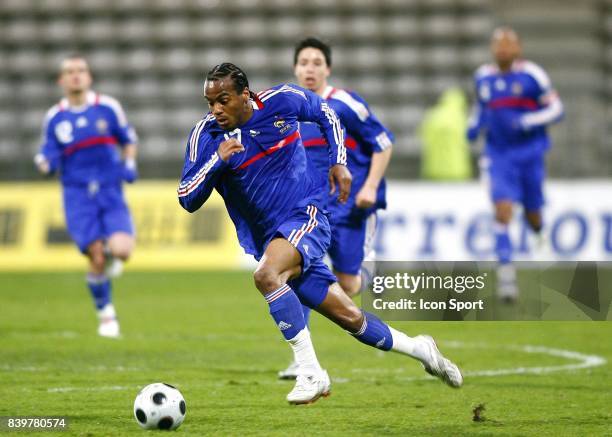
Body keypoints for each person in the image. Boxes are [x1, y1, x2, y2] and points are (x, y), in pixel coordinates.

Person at [178, 62, 462, 405]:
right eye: (210, 103)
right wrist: (217, 162)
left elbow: (326, 112)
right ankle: (421, 349)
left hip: (307, 215)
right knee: (351, 318)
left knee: (267, 276)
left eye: (223, 100)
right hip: (271, 239)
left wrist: (338, 161)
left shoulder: (281, 101)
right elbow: (187, 198)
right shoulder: (205, 136)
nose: (216, 110)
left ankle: (310, 372)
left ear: (245, 95)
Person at [277, 37, 394, 379]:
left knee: (349, 285)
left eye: (316, 63)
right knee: (297, 271)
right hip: (312, 210)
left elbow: (383, 143)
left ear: (327, 68)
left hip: (352, 206)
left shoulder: (344, 103)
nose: (309, 69)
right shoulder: (290, 109)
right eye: (303, 62)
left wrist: (370, 186)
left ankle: (364, 274)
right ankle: (302, 359)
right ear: (295, 68)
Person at [34, 54, 139, 338]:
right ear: (62, 80)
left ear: (89, 76)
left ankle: (110, 255)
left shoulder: (107, 108)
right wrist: (43, 163)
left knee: (122, 250)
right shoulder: (55, 118)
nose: (76, 75)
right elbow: (48, 153)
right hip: (77, 194)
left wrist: (129, 164)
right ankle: (106, 315)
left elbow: (128, 140)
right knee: (95, 254)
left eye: (81, 70)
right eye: (70, 71)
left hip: (110, 189)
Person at [467, 27, 564, 302]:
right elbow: (481, 108)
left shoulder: (532, 75)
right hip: (499, 156)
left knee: (533, 214)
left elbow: (557, 109)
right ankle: (506, 277)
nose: (503, 49)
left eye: (508, 44)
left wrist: (528, 121)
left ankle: (539, 236)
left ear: (518, 49)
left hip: (530, 153)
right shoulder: (483, 77)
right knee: (503, 210)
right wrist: (474, 125)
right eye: (498, 44)